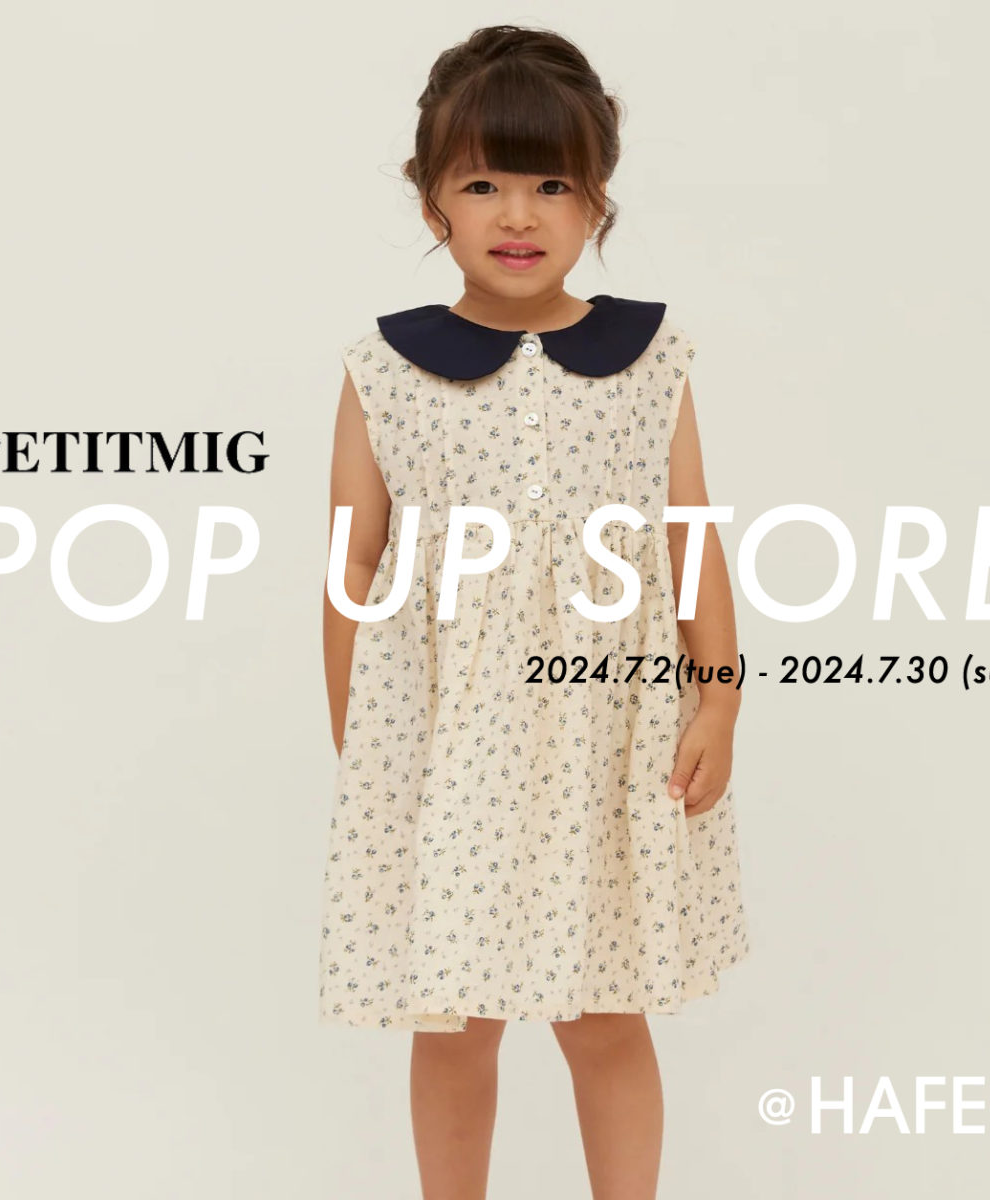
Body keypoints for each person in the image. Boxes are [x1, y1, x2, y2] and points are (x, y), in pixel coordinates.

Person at [321, 24, 750, 1200]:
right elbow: (355, 565)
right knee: (456, 1022)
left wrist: (720, 698)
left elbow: (690, 536)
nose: (518, 213)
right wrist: (363, 743)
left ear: (597, 197)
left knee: (604, 1014)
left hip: (606, 742)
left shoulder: (651, 358)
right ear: (431, 201)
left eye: (552, 184)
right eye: (482, 185)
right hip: (452, 750)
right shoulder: (384, 369)